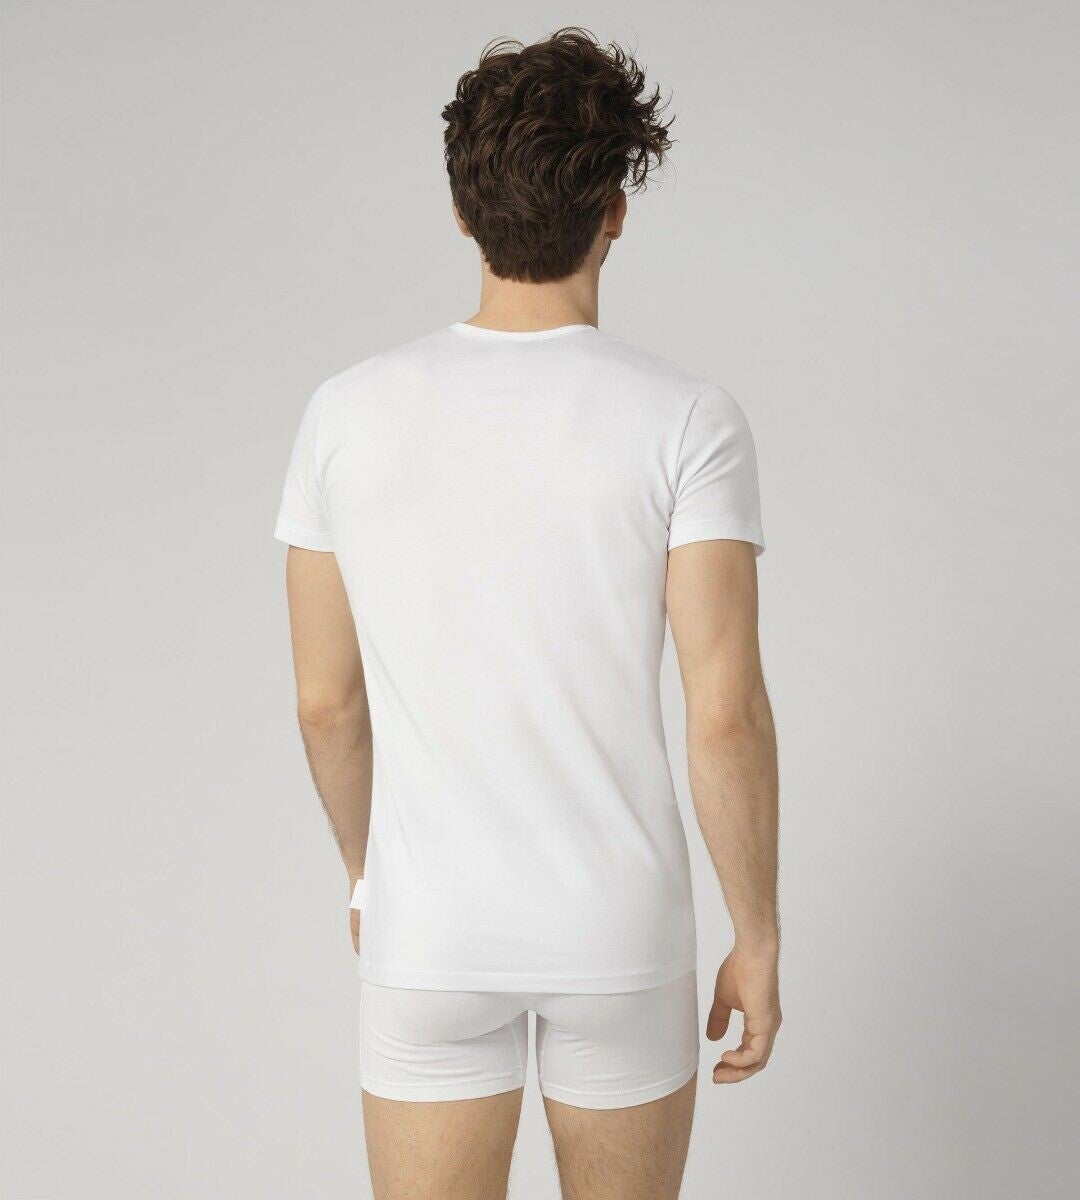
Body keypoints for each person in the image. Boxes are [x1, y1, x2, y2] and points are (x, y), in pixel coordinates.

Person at [275, 27, 780, 1200]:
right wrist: (756, 934)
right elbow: (726, 715)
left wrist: (366, 874)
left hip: (432, 931)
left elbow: (325, 703)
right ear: (616, 210)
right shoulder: (687, 419)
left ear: (462, 213)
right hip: (619, 933)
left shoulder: (346, 414)